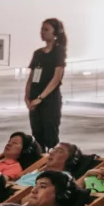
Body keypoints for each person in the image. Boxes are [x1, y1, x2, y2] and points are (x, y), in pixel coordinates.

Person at [25, 19, 69, 148]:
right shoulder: (38, 53)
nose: (42, 33)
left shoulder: (59, 51)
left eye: (46, 29)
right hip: (34, 100)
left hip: (49, 100)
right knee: (37, 135)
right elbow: (31, 77)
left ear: (55, 32)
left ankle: (51, 164)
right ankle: (39, 165)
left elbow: (56, 78)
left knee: (50, 135)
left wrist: (41, 98)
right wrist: (27, 97)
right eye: (41, 29)